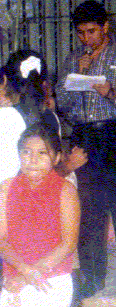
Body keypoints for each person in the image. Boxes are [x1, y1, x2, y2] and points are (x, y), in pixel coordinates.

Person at [55, 0, 116, 298]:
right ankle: (94, 276)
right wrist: (74, 81)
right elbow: (63, 105)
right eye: (81, 33)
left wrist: (109, 91)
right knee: (89, 210)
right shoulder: (73, 60)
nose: (86, 38)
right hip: (85, 137)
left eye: (92, 31)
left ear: (106, 26)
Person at [0, 123, 80, 307]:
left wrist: (29, 275)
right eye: (26, 152)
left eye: (42, 153)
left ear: (56, 157)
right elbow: (1, 239)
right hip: (13, 277)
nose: (32, 159)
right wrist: (23, 271)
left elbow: (68, 244)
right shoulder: (6, 188)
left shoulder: (65, 191)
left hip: (51, 278)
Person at [0, 50, 61, 184]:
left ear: (4, 80)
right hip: (44, 194)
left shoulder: (5, 116)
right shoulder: (52, 117)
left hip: (10, 195)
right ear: (44, 84)